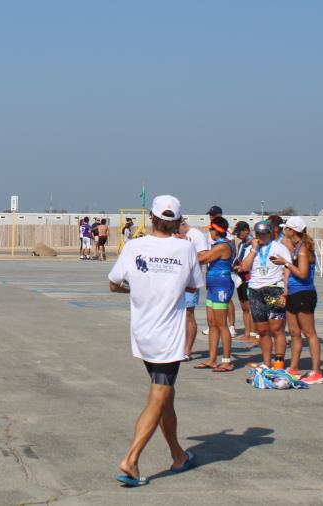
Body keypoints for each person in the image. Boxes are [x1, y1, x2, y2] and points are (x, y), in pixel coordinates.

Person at [107, 195, 202, 487]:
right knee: (159, 396)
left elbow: (113, 283)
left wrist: (136, 291)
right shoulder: (185, 248)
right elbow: (194, 286)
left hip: (143, 333)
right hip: (168, 337)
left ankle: (178, 455)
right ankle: (131, 460)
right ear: (177, 221)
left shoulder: (134, 246)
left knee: (165, 397)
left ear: (151, 217)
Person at [277, 216, 323, 385]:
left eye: (286, 228)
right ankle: (294, 368)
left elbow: (303, 274)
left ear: (292, 231)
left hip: (304, 293)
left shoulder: (303, 249)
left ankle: (317, 371)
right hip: (294, 293)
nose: (284, 231)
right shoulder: (297, 247)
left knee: (309, 332)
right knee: (294, 332)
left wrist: (286, 263)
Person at [239, 220, 291, 370]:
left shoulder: (279, 247)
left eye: (264, 234)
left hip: (274, 288)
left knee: (277, 328)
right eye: (258, 234)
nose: (261, 236)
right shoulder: (251, 249)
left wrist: (286, 292)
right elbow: (244, 267)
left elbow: (288, 268)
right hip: (255, 290)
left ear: (270, 233)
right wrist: (254, 250)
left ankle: (279, 363)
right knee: (262, 330)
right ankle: (267, 363)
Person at [193, 217, 236, 371]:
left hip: (221, 287)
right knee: (212, 323)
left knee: (221, 324)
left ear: (216, 231)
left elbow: (202, 259)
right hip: (213, 287)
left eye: (211, 229)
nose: (209, 232)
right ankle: (212, 359)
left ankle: (226, 360)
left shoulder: (223, 246)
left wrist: (187, 251)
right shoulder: (218, 244)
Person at [179, 219, 208, 360]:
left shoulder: (196, 235)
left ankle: (187, 350)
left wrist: (187, 253)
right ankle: (177, 347)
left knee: (188, 314)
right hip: (174, 281)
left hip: (190, 280)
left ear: (182, 223)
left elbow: (204, 256)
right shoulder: (173, 234)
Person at [231, 221, 257, 342]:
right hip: (240, 278)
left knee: (250, 307)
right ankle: (247, 333)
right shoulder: (241, 244)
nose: (237, 236)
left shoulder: (254, 243)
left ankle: (253, 333)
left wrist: (241, 267)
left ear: (246, 231)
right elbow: (238, 258)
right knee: (244, 306)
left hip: (249, 278)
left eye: (238, 233)